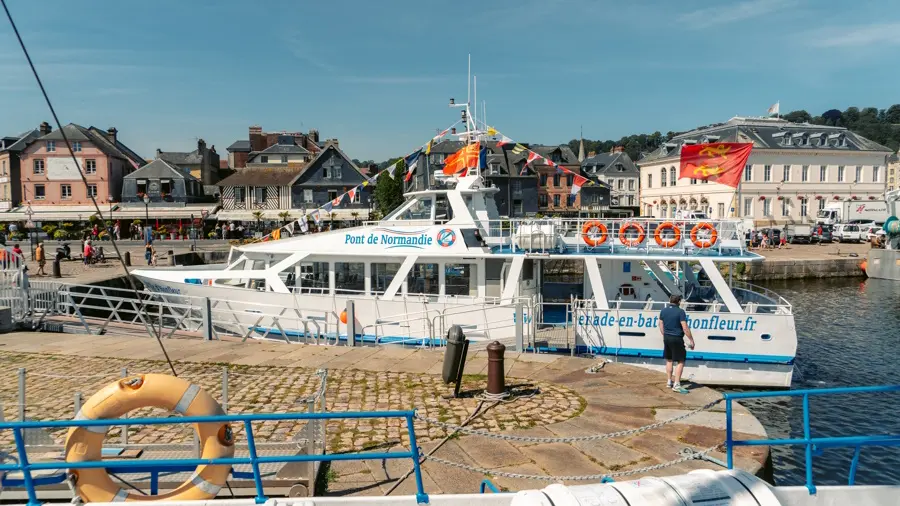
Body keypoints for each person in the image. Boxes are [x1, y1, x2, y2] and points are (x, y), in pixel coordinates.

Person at [658, 294, 695, 394]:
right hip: (677, 338)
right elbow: (685, 327)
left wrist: (664, 334)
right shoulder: (680, 312)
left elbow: (660, 324)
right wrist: (691, 340)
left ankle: (669, 381)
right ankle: (677, 384)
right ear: (679, 301)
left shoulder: (663, 311)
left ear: (670, 300)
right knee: (680, 361)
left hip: (666, 337)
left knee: (669, 359)